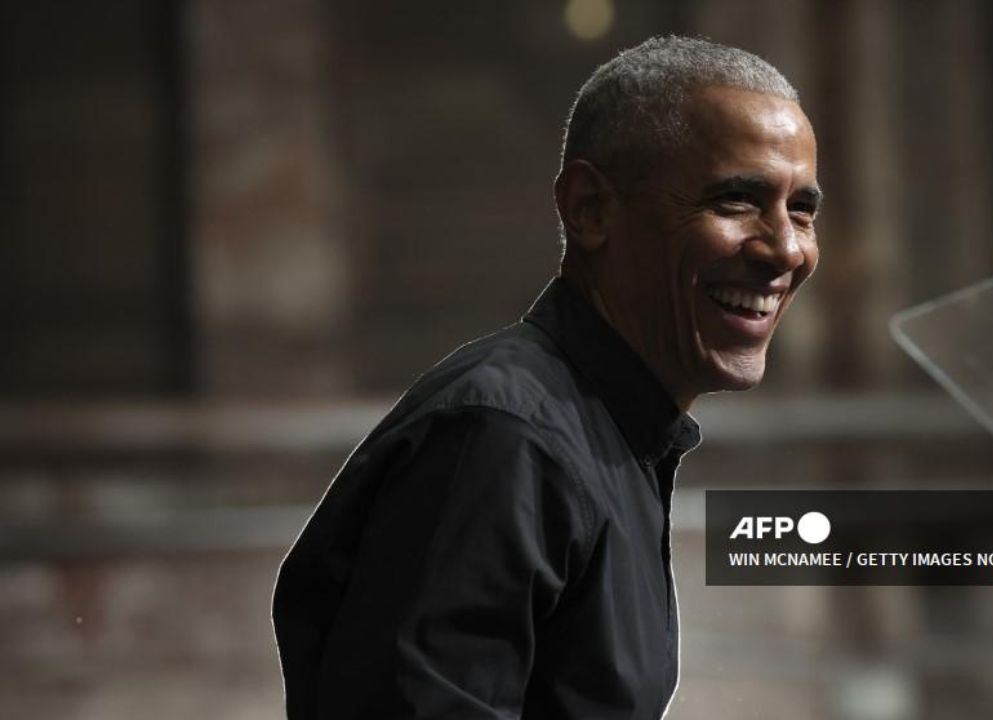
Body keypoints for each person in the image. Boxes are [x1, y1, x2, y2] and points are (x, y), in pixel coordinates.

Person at [272, 35, 821, 719]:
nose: (786, 249)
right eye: (737, 200)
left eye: (802, 209)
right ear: (590, 210)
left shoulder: (608, 431)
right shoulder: (506, 438)